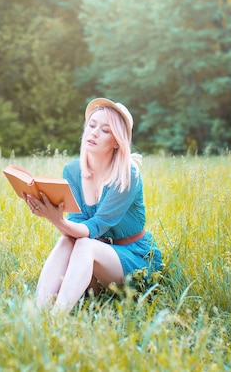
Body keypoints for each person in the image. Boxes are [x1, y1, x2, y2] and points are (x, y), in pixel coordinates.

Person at [24, 98, 163, 313]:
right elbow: (76, 226)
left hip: (132, 257)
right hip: (92, 256)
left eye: (105, 130)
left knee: (84, 244)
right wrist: (53, 216)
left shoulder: (127, 176)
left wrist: (55, 218)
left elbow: (95, 227)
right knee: (67, 241)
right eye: (92, 125)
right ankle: (37, 312)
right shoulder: (72, 171)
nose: (94, 133)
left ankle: (56, 319)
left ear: (117, 141)